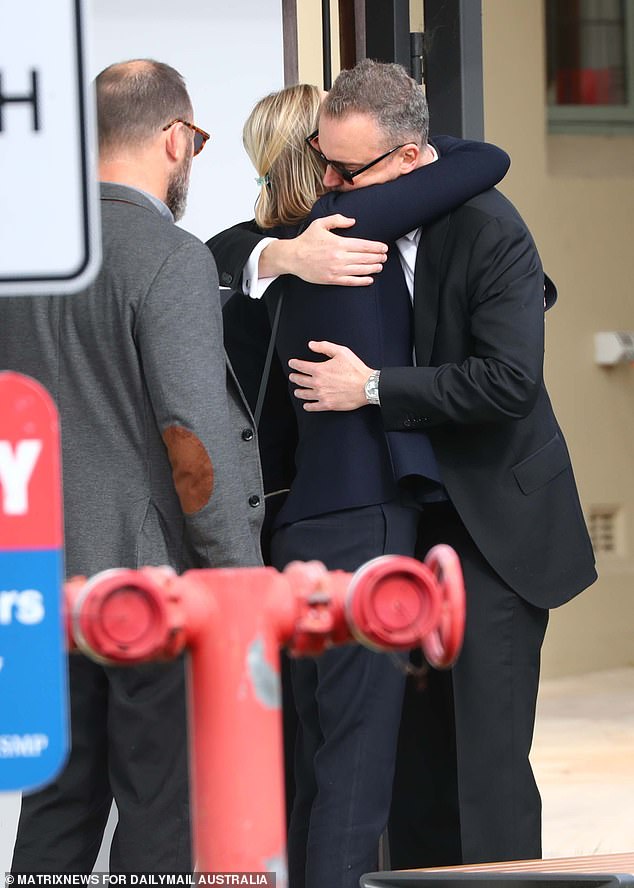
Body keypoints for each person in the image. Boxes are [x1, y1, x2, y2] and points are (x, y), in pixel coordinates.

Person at [272, 59, 597, 867]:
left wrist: (373, 387)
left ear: (413, 160)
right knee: (413, 764)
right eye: (325, 163)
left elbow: (511, 381)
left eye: (349, 169)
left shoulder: (489, 229)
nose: (333, 185)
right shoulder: (340, 227)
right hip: (406, 525)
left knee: (484, 763)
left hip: (493, 527)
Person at [208, 82, 510, 888]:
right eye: (329, 156)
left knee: (306, 763)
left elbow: (219, 257)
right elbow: (485, 158)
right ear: (317, 160)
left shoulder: (236, 254)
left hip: (278, 523)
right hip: (357, 522)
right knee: (353, 770)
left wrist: (267, 255)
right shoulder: (348, 233)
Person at [1, 59, 264, 873]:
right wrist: (236, 577)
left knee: (57, 802)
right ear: (174, 137)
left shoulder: (23, 258)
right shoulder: (169, 257)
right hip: (149, 589)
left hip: (41, 577)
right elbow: (191, 435)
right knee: (160, 803)